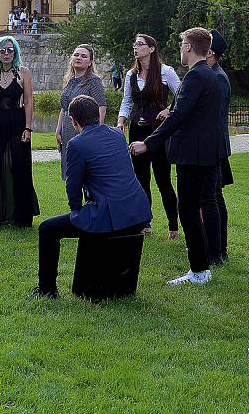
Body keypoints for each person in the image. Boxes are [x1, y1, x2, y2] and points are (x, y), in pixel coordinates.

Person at [31, 95, 151, 298]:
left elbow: (73, 186)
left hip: (110, 215)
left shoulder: (77, 144)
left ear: (73, 120)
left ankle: (46, 290)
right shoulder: (117, 134)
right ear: (98, 115)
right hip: (137, 213)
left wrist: (77, 210)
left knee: (47, 229)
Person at [130, 27, 220, 286]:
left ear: (189, 47)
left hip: (193, 155)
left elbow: (177, 115)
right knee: (194, 207)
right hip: (205, 153)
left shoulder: (194, 77)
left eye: (182, 44)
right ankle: (202, 266)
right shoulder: (211, 75)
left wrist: (148, 143)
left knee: (188, 210)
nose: (181, 48)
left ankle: (199, 271)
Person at [117, 34, 180, 239]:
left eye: (140, 44)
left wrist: (169, 109)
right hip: (137, 129)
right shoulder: (131, 75)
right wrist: (121, 121)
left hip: (158, 132)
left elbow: (183, 94)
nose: (136, 48)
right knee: (140, 178)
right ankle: (145, 222)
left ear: (152, 49)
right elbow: (127, 101)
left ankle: (173, 225)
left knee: (163, 179)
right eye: (134, 44)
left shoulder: (165, 71)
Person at [0, 36, 39, 228]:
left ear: (15, 53)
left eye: (10, 50)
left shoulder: (23, 73)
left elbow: (29, 101)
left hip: (18, 122)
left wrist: (28, 127)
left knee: (20, 167)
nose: (6, 53)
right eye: (3, 50)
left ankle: (21, 218)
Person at [201, 28, 233, 265]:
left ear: (210, 52)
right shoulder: (212, 74)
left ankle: (218, 249)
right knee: (214, 197)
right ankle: (218, 247)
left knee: (213, 198)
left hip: (214, 146)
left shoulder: (218, 77)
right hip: (213, 145)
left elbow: (215, 117)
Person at [55, 44, 107, 180]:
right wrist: (58, 129)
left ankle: (90, 201)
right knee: (72, 173)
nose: (79, 58)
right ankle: (75, 201)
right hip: (67, 131)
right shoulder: (70, 81)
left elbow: (101, 107)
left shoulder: (93, 81)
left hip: (85, 131)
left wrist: (96, 133)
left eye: (84, 56)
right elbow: (64, 107)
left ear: (90, 62)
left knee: (86, 173)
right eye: (76, 55)